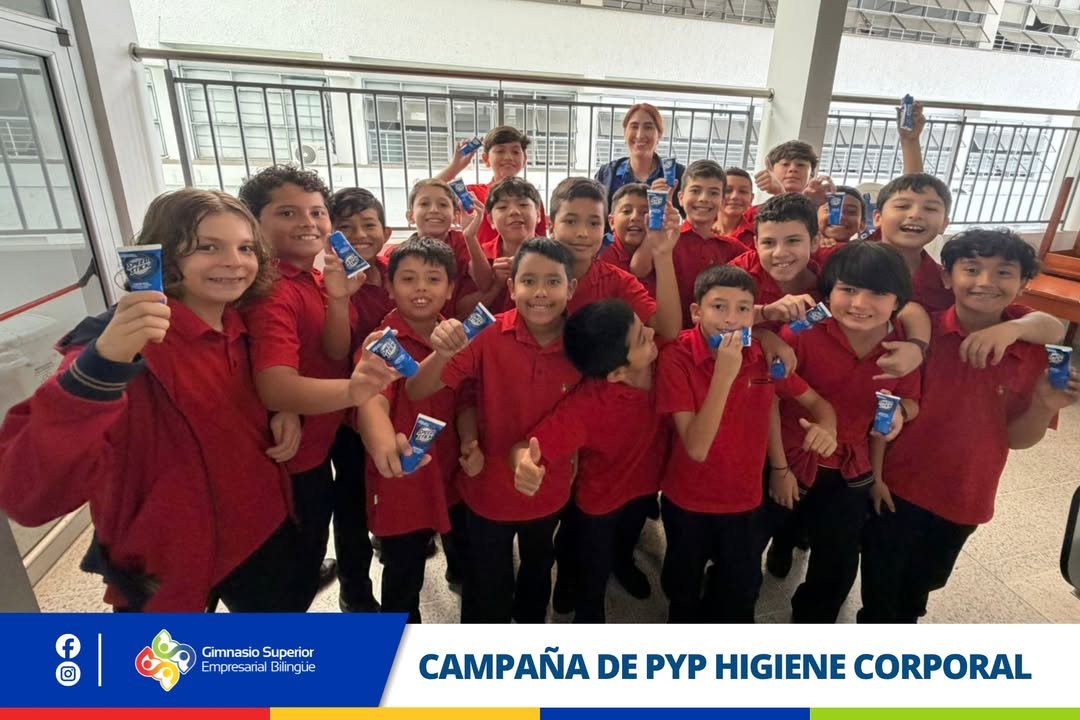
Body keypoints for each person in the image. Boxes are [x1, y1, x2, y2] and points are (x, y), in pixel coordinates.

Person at [0, 189, 373, 612]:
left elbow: (274, 376)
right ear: (165, 257)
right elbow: (28, 497)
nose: (234, 261)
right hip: (165, 558)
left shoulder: (241, 322)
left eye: (245, 248)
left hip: (259, 536)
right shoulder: (125, 346)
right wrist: (100, 367)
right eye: (208, 247)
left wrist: (280, 406)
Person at [859, 228, 1076, 623]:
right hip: (896, 487)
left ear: (1024, 283)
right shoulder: (920, 335)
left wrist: (1043, 405)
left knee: (922, 584)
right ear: (947, 277)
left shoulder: (1032, 351)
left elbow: (1017, 439)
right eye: (971, 269)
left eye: (1004, 272)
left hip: (965, 496)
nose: (985, 282)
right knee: (880, 589)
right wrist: (875, 476)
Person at [239, 165, 396, 609]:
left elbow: (332, 348)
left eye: (315, 212)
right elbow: (275, 385)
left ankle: (338, 586)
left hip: (324, 429)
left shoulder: (311, 277)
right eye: (288, 213)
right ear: (255, 223)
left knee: (333, 516)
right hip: (293, 450)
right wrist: (354, 391)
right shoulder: (270, 290)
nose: (308, 222)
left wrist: (339, 298)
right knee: (290, 560)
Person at [406, 238, 582, 623]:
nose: (540, 292)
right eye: (529, 281)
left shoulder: (582, 344)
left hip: (548, 489)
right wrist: (443, 353)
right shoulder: (487, 333)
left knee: (538, 569)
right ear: (512, 287)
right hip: (487, 489)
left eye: (553, 281)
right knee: (486, 583)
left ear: (570, 288)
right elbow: (417, 389)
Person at [657, 265, 837, 623]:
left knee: (739, 591)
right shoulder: (677, 357)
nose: (731, 318)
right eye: (718, 307)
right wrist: (724, 374)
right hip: (687, 499)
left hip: (744, 501)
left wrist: (827, 427)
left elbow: (819, 404)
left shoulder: (761, 355)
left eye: (742, 308)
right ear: (696, 312)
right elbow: (696, 448)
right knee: (682, 588)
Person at [773, 242, 922, 623]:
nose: (859, 303)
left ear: (898, 300)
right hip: (788, 459)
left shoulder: (903, 346)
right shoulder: (802, 332)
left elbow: (910, 399)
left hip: (849, 469)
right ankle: (779, 546)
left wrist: (902, 413)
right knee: (759, 536)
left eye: (877, 293)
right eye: (848, 289)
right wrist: (777, 468)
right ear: (829, 291)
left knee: (837, 564)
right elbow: (768, 397)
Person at [510, 299, 667, 622]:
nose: (653, 333)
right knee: (590, 569)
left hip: (645, 487)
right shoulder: (588, 405)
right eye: (642, 337)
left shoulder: (665, 362)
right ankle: (582, 605)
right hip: (599, 503)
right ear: (617, 373)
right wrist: (524, 462)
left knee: (626, 540)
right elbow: (535, 445)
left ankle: (623, 564)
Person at [355, 237, 462, 623]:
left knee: (461, 547)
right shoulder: (381, 343)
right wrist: (382, 439)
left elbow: (469, 396)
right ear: (389, 286)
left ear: (450, 288)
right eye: (408, 278)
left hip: (452, 470)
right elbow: (371, 398)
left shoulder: (457, 336)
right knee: (403, 573)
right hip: (403, 482)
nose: (421, 288)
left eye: (433, 279)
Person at [435, 126, 547, 248]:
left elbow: (541, 241)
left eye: (515, 152)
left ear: (524, 159)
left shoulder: (531, 198)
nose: (508, 157)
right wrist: (455, 166)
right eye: (500, 151)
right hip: (477, 259)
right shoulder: (470, 194)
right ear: (486, 159)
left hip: (524, 259)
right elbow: (427, 190)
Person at [594, 103, 685, 235]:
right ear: (625, 133)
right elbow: (595, 219)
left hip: (660, 245)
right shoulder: (607, 174)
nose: (640, 134)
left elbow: (692, 221)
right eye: (634, 126)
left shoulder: (676, 174)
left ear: (659, 135)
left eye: (648, 127)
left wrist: (669, 208)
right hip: (615, 247)